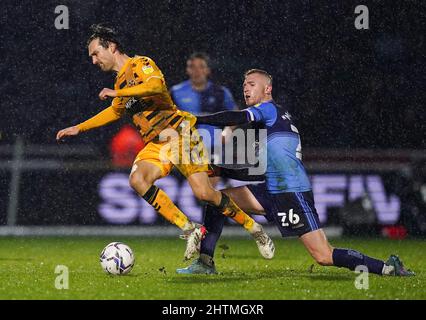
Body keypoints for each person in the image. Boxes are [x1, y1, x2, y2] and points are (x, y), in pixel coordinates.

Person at [56, 25, 274, 261]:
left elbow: (156, 86)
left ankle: (255, 229)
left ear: (112, 46)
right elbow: (114, 112)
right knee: (137, 180)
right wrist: (79, 127)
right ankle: (190, 229)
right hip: (157, 143)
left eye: (96, 53)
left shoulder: (140, 64)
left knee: (204, 193)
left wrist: (117, 94)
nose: (94, 60)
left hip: (179, 134)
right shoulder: (120, 84)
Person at [176, 69, 415, 276]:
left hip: (292, 193)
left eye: (251, 84)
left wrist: (197, 119)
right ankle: (205, 262)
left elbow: (237, 117)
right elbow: (256, 173)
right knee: (216, 200)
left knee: (323, 255)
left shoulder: (268, 109)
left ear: (267, 88)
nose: (245, 89)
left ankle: (387, 267)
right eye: (243, 86)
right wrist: (221, 169)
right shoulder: (272, 123)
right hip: (270, 190)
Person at [170, 52, 236, 166]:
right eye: (192, 66)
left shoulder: (220, 92)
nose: (197, 71)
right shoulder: (176, 92)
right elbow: (165, 116)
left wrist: (228, 130)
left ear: (208, 70)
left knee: (210, 181)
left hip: (214, 145)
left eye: (201, 66)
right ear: (187, 70)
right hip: (186, 147)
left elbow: (235, 114)